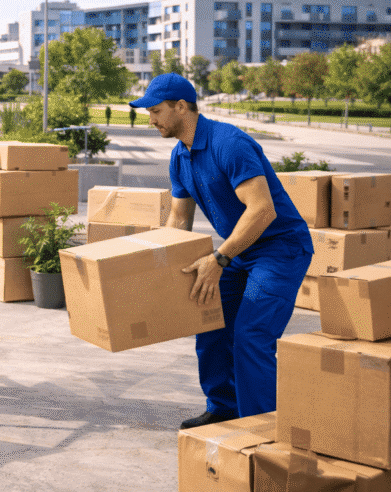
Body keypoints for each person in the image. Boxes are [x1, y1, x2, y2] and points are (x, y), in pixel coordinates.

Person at [129, 73, 312, 429]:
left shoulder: (229, 144)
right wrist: (155, 271)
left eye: (155, 111)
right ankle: (223, 406)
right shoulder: (180, 157)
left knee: (251, 334)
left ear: (181, 107)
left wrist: (218, 259)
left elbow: (262, 210)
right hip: (240, 252)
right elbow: (179, 221)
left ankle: (258, 431)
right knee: (208, 320)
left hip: (280, 248)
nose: (150, 120)